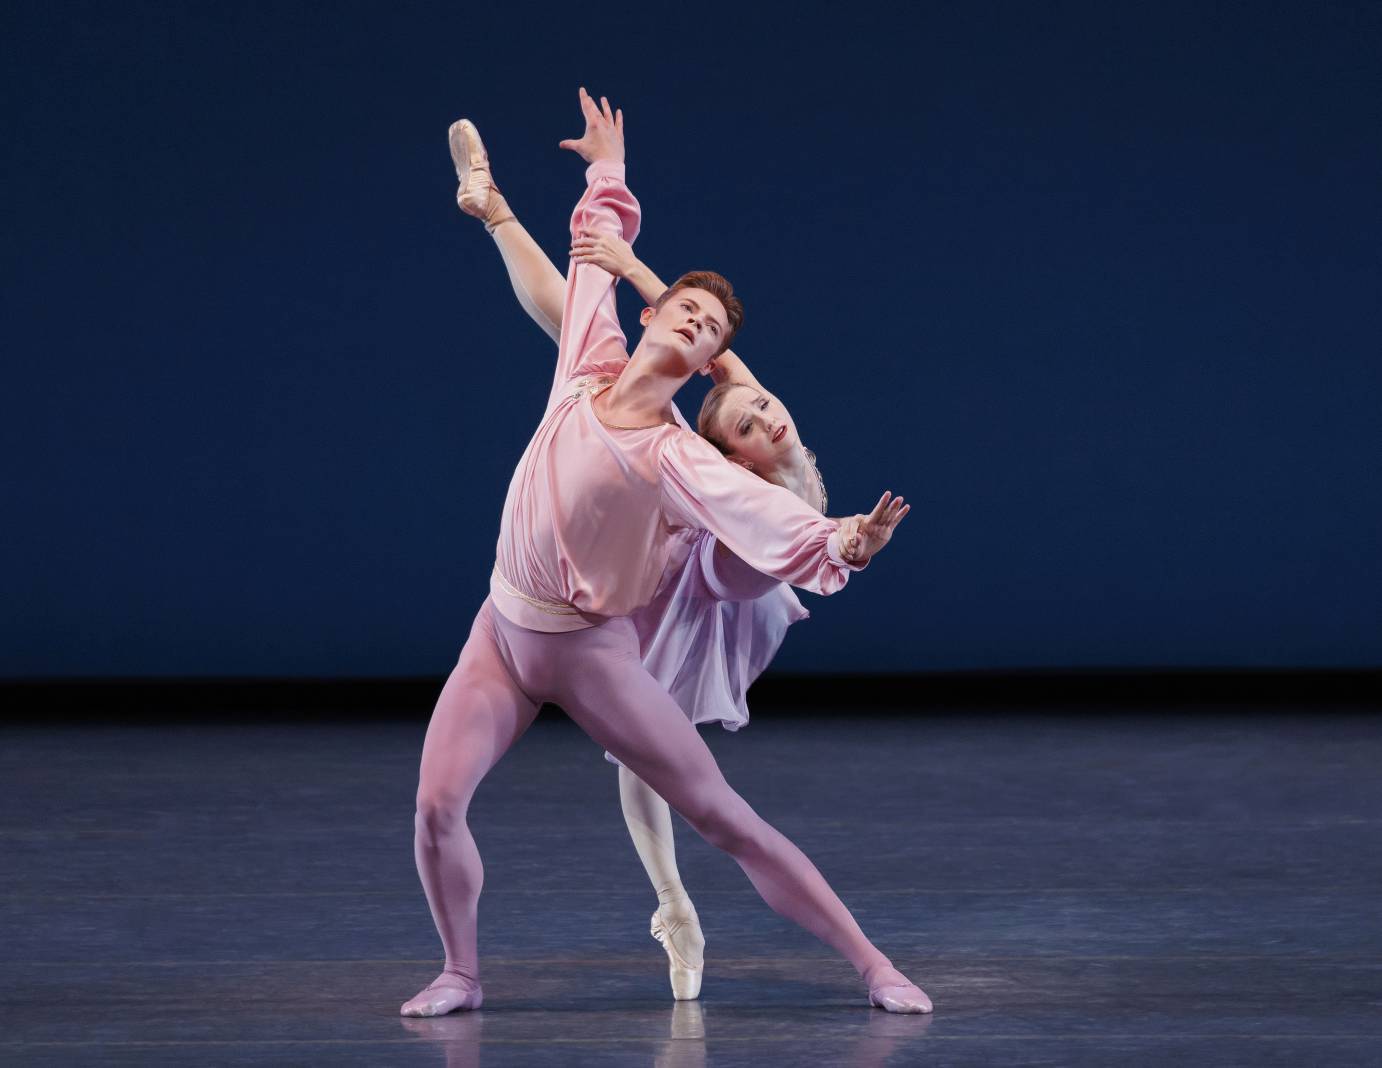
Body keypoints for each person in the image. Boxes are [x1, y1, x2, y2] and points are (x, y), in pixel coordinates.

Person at [402, 87, 928, 1017]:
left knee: (722, 816)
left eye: (714, 330)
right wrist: (607, 170)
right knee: (437, 805)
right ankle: (460, 971)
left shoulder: (684, 455)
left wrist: (849, 538)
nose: (696, 323)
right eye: (686, 310)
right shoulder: (590, 360)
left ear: (711, 362)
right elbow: (584, 270)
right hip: (501, 635)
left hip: (598, 651)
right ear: (655, 320)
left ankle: (873, 964)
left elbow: (773, 521)